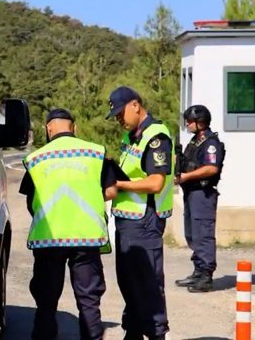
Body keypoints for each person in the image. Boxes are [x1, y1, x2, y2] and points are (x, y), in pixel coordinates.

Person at [19, 108, 121, 340]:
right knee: (89, 301)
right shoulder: (95, 153)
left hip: (49, 237)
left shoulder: (36, 159)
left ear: (48, 128)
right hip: (87, 236)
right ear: (74, 127)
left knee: (46, 300)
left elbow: (31, 200)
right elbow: (111, 191)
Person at [105, 86, 174, 340]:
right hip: (127, 221)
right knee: (129, 282)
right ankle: (133, 331)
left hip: (145, 221)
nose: (119, 119)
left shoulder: (156, 137)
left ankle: (156, 334)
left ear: (135, 105)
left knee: (148, 284)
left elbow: (156, 182)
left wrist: (119, 184)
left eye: (120, 113)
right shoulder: (131, 136)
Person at [174, 105, 226, 293]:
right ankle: (198, 271)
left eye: (190, 121)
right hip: (191, 193)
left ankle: (205, 276)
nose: (188, 124)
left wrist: (186, 176)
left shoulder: (210, 143)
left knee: (203, 234)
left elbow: (211, 168)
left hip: (203, 194)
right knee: (193, 234)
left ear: (200, 122)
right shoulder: (195, 142)